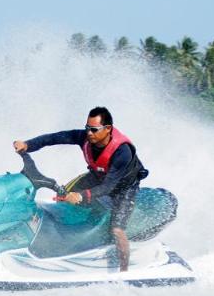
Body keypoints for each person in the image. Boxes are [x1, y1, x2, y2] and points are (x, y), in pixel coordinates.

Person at [13, 107, 147, 271]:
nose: (89, 133)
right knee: (63, 195)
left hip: (123, 187)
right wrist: (28, 145)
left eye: (94, 129)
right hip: (98, 176)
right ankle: (74, 230)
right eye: (87, 128)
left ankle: (124, 271)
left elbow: (109, 186)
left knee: (117, 230)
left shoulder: (122, 152)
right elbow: (55, 138)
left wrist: (82, 196)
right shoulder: (84, 138)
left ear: (108, 129)